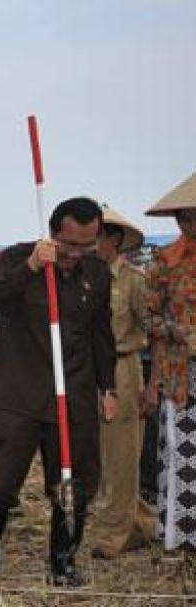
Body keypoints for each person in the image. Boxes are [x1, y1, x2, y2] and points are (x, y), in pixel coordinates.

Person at [0, 197, 117, 586]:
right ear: (52, 233)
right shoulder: (18, 258)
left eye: (86, 245)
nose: (75, 254)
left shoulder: (98, 274)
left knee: (74, 483)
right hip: (18, 395)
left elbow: (102, 334)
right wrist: (34, 266)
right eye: (69, 244)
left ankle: (63, 560)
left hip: (75, 394)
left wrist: (108, 386)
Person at [87, 207, 157, 558]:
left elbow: (154, 331)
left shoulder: (132, 280)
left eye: (95, 235)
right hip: (89, 372)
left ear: (113, 238)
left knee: (121, 453)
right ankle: (141, 523)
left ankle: (115, 533)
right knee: (102, 454)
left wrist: (153, 383)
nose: (88, 243)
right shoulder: (83, 277)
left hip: (123, 371)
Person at [143, 172, 196, 551]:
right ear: (180, 220)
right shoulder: (164, 262)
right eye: (189, 216)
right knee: (182, 453)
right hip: (182, 373)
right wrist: (177, 331)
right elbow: (148, 318)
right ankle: (180, 537)